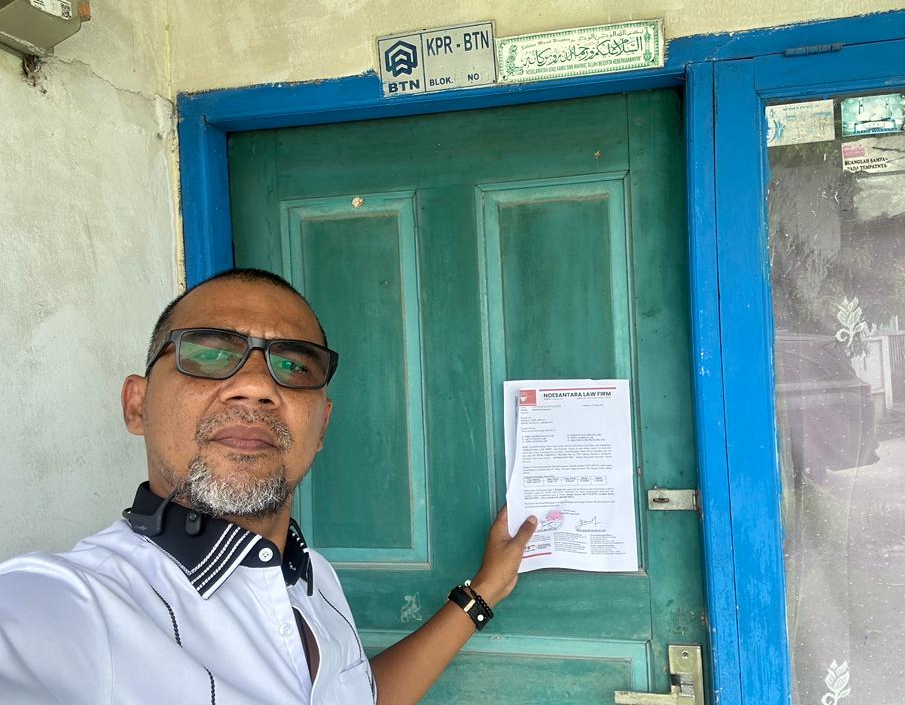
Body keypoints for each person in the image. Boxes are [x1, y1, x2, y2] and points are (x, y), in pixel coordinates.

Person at [0, 268, 538, 704]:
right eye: (209, 354)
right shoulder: (75, 605)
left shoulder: (311, 575)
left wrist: (483, 591)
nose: (256, 386)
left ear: (321, 428)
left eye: (294, 366)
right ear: (137, 405)